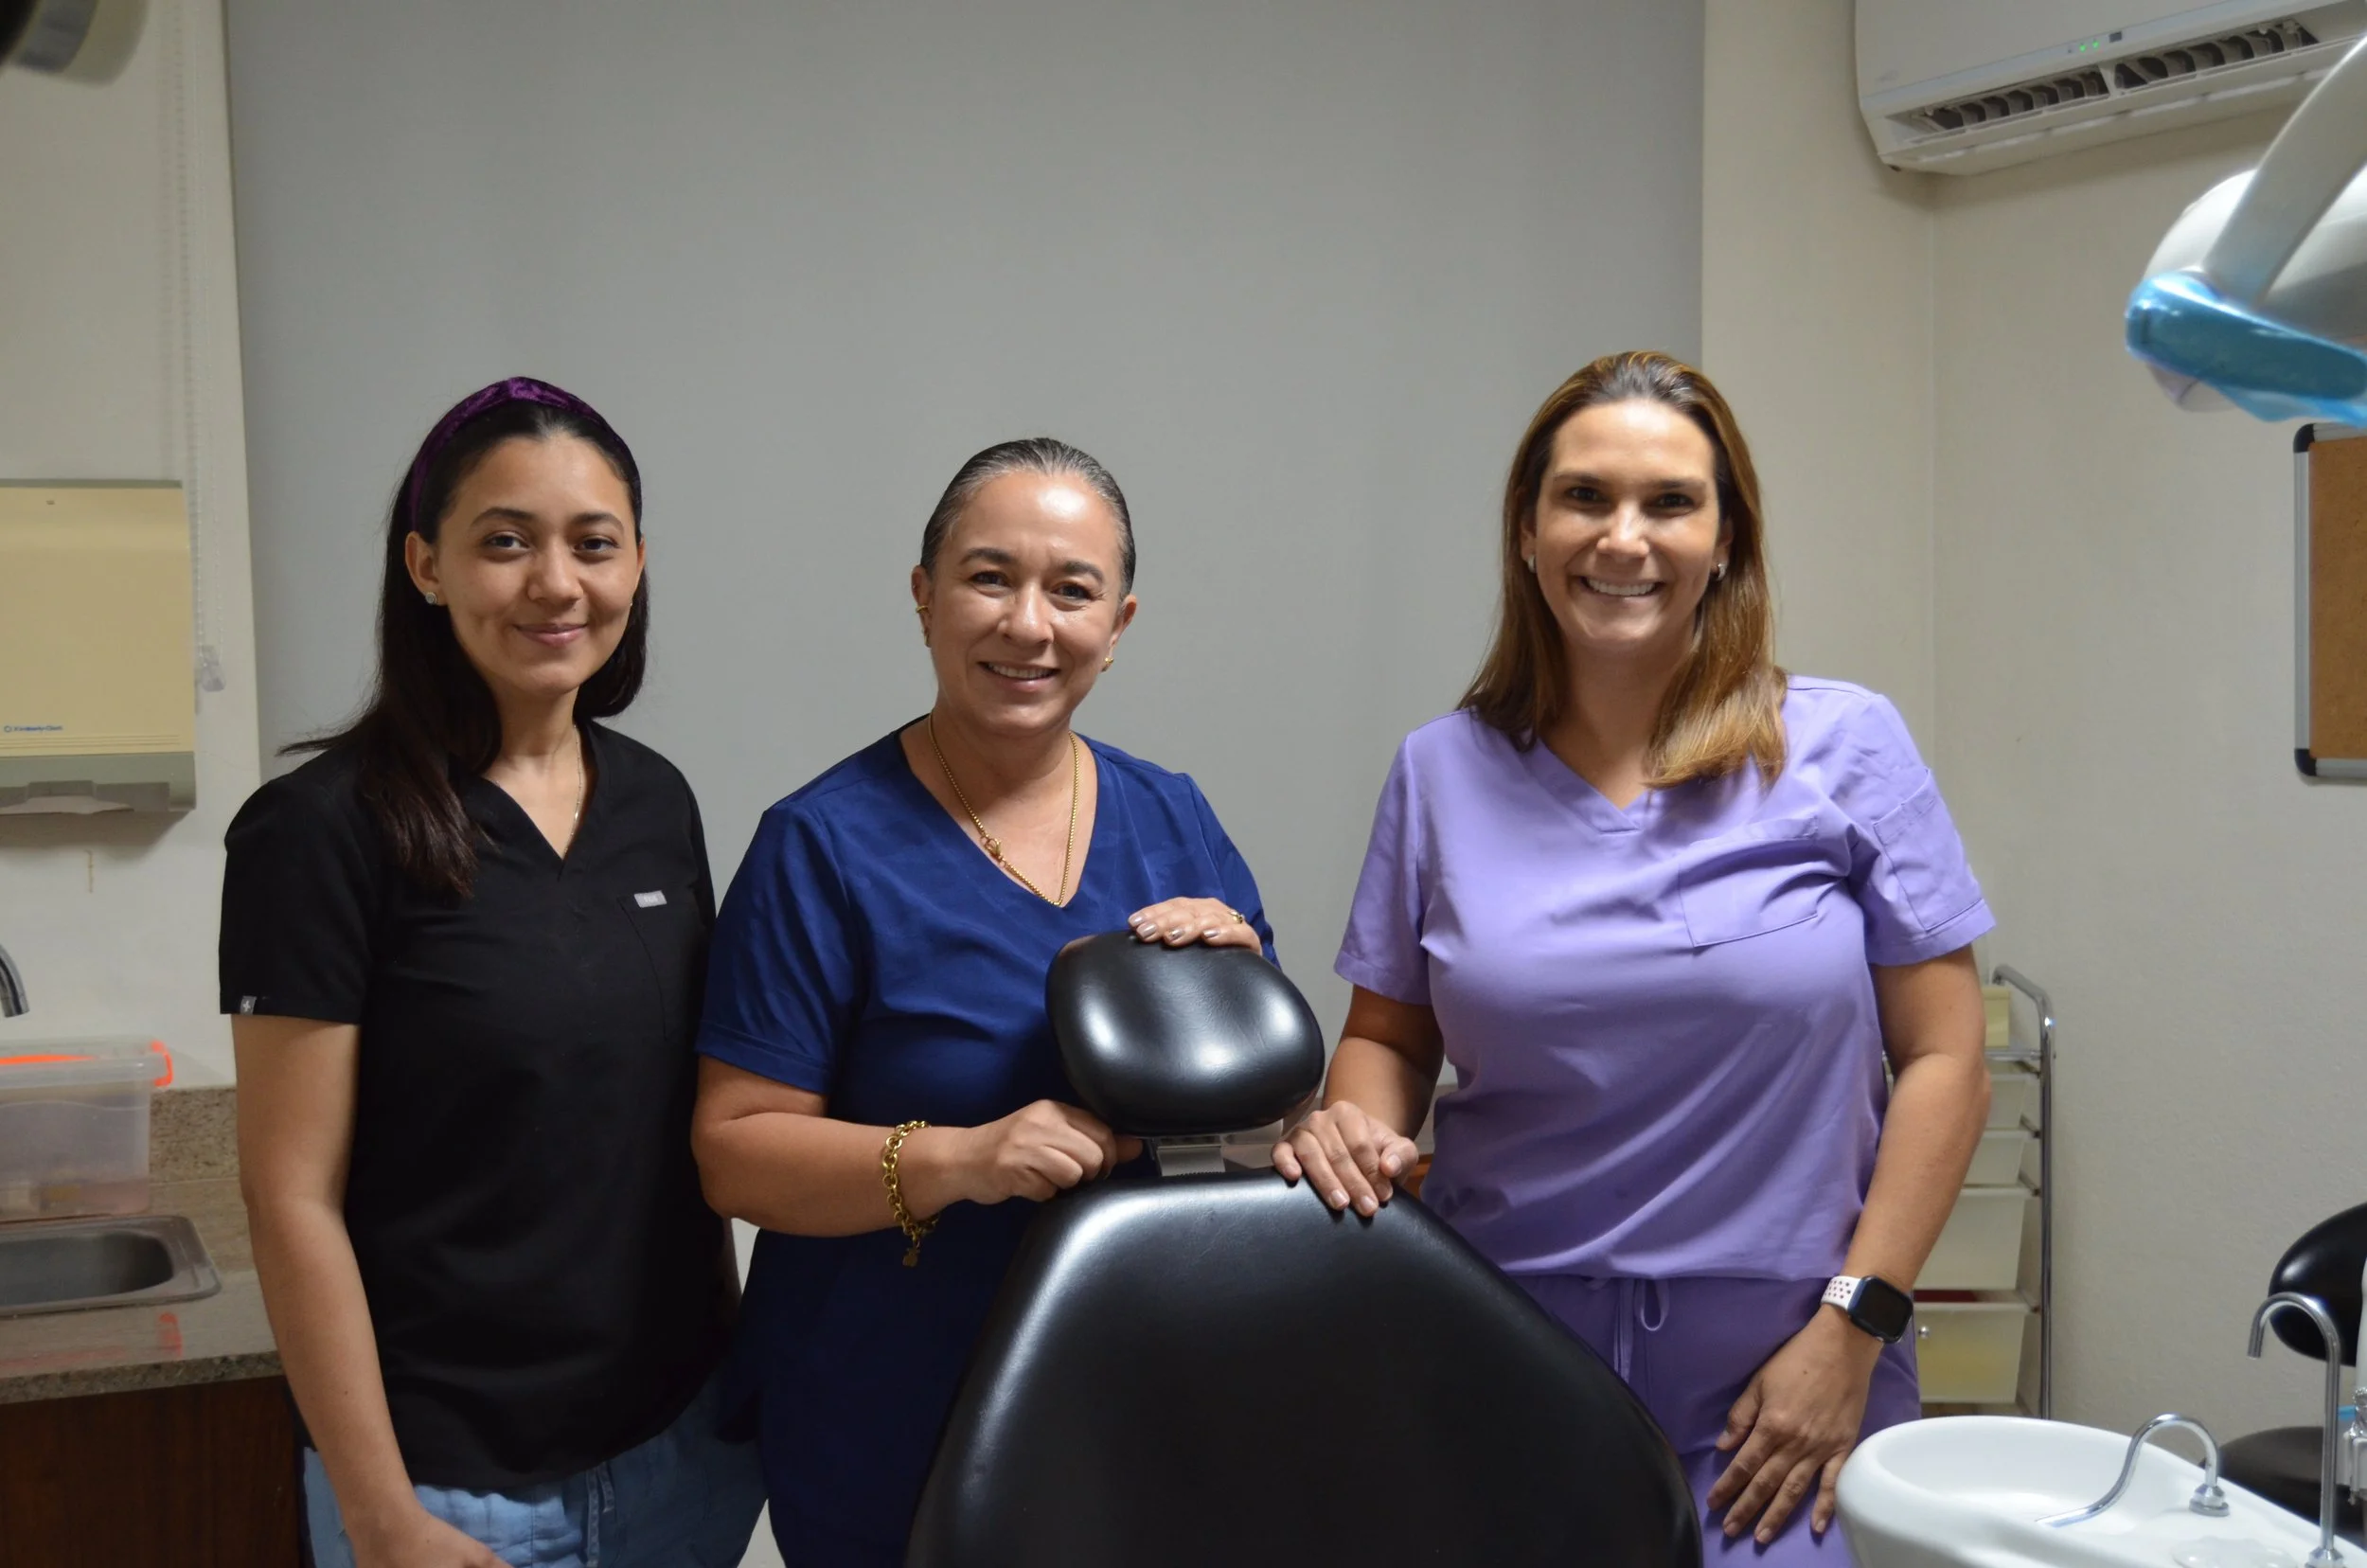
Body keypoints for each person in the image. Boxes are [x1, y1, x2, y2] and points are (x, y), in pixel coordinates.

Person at [1275, 351, 1993, 1563]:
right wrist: (1355, 1125)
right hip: (1498, 1355)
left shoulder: (1842, 745)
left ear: (1726, 541)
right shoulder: (1440, 771)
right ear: (1525, 530)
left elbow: (1946, 1057)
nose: (1624, 539)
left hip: (1789, 1377)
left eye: (1670, 502)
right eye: (1583, 498)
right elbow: (1389, 1037)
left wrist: (1853, 1330)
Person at [691, 437, 1273, 1564]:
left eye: (1072, 590)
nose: (1029, 623)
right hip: (891, 1418)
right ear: (924, 597)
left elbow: (1259, 1131)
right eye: (989, 576)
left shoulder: (1174, 820)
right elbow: (736, 1153)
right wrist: (963, 1160)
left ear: (1120, 625)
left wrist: (1236, 1001)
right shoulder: (820, 846)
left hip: (1130, 1400)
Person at [222, 378, 764, 1568]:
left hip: (680, 1455)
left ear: (636, 565)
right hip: (450, 1492)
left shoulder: (655, 803)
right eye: (505, 542)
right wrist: (381, 1516)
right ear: (426, 566)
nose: (556, 584)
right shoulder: (317, 831)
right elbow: (289, 1199)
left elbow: (673, 1125)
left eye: (593, 543)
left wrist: (733, 1399)